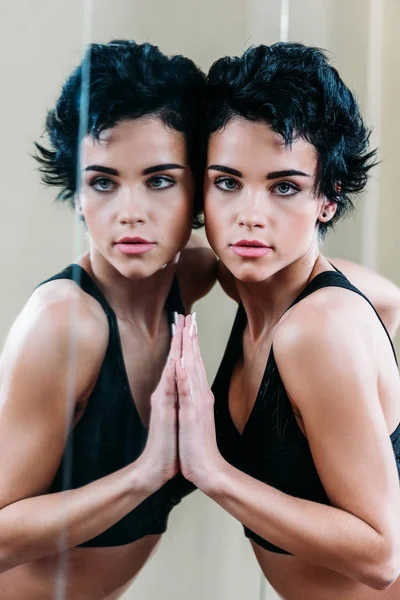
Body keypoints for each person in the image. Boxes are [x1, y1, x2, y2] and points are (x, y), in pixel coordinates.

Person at [174, 42, 400, 600]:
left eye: (284, 187)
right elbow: (392, 302)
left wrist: (210, 470)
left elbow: (381, 555)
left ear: (328, 197)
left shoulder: (317, 330)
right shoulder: (250, 280)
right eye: (228, 182)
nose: (251, 215)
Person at [0, 39, 215, 599]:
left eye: (160, 179)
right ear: (76, 194)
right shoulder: (66, 324)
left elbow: (376, 299)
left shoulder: (186, 278)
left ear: (200, 190)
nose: (130, 212)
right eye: (102, 181)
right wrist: (147, 473)